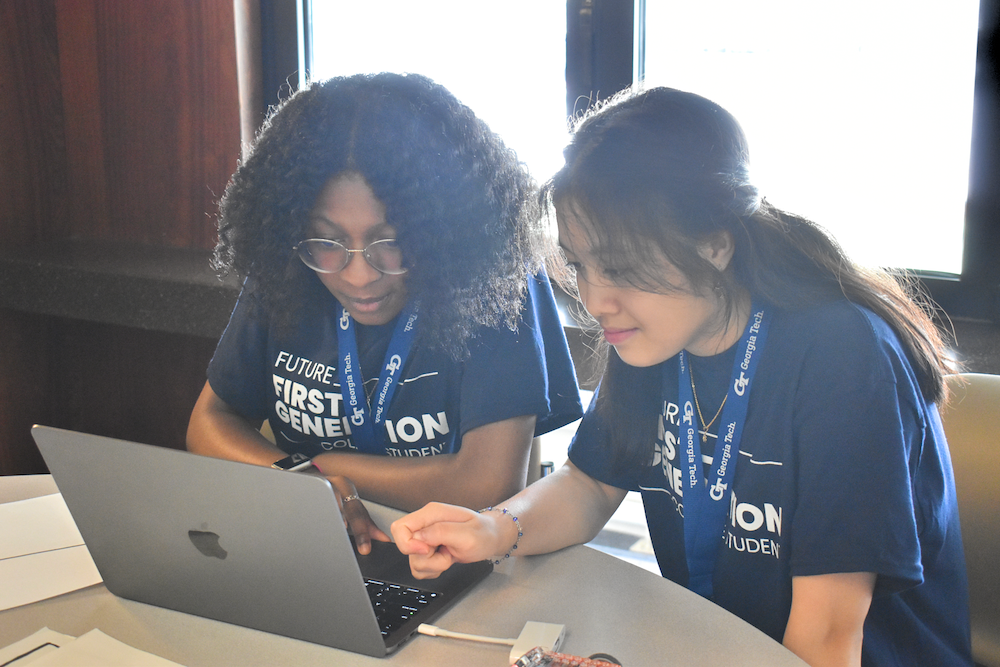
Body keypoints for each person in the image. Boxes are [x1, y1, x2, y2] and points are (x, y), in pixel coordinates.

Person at [391, 87, 973, 667]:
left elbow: (824, 645)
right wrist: (494, 529)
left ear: (715, 245)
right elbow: (589, 485)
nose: (595, 300)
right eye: (578, 266)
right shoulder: (658, 330)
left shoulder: (844, 357)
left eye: (618, 268)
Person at [187, 72, 583, 554]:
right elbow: (209, 421)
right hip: (309, 547)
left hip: (453, 559)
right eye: (329, 240)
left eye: (390, 243)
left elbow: (486, 484)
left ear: (438, 231)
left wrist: (327, 471)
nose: (357, 275)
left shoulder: (491, 280)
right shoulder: (289, 265)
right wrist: (303, 476)